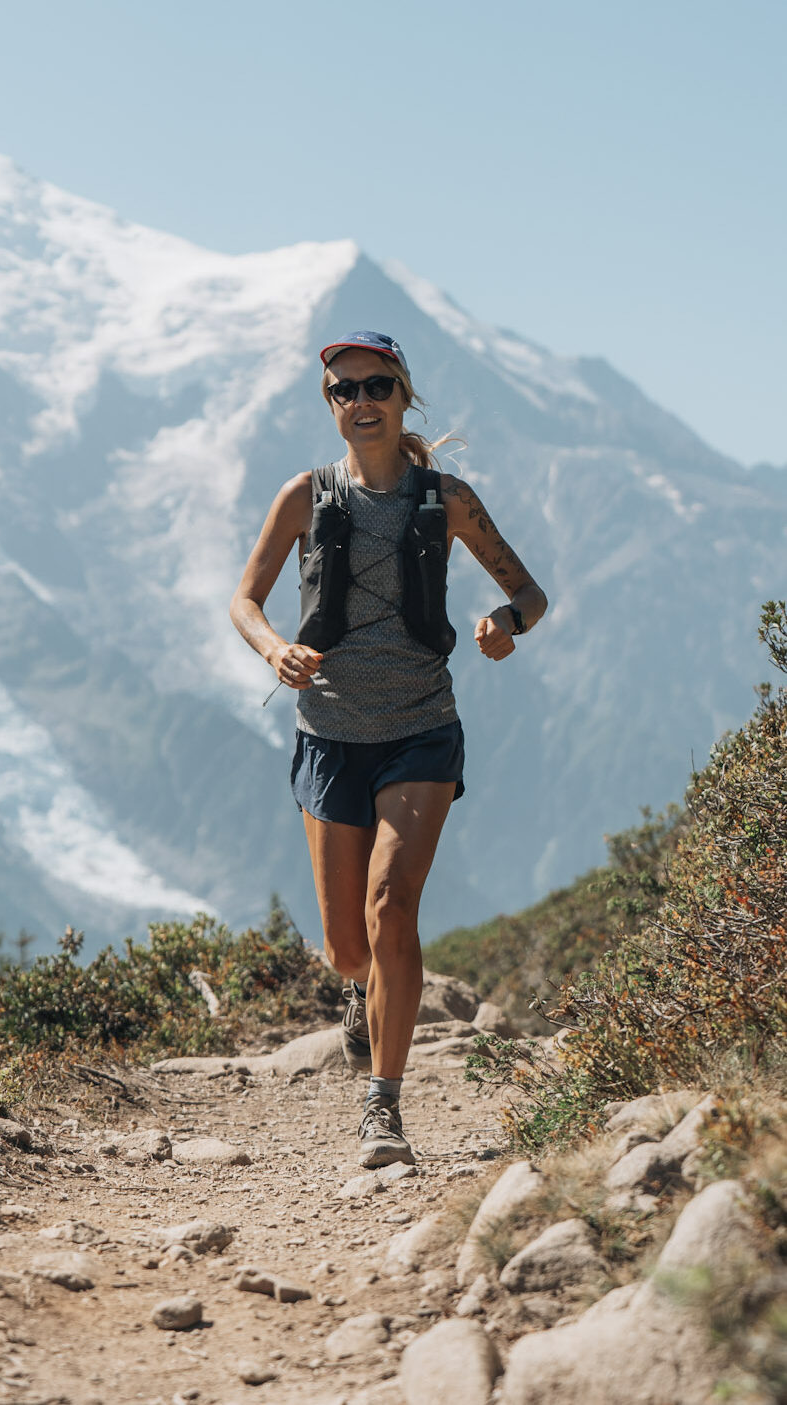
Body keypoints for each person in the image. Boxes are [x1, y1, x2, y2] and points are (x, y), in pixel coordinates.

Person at [229, 330, 547, 1168]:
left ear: (404, 394)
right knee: (346, 946)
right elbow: (244, 601)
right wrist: (273, 649)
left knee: (391, 904)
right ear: (329, 404)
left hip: (420, 729)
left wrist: (504, 621)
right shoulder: (304, 496)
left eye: (376, 385)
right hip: (329, 734)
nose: (361, 400)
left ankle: (383, 1105)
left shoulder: (447, 499)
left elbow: (529, 591)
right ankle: (359, 988)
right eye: (345, 389)